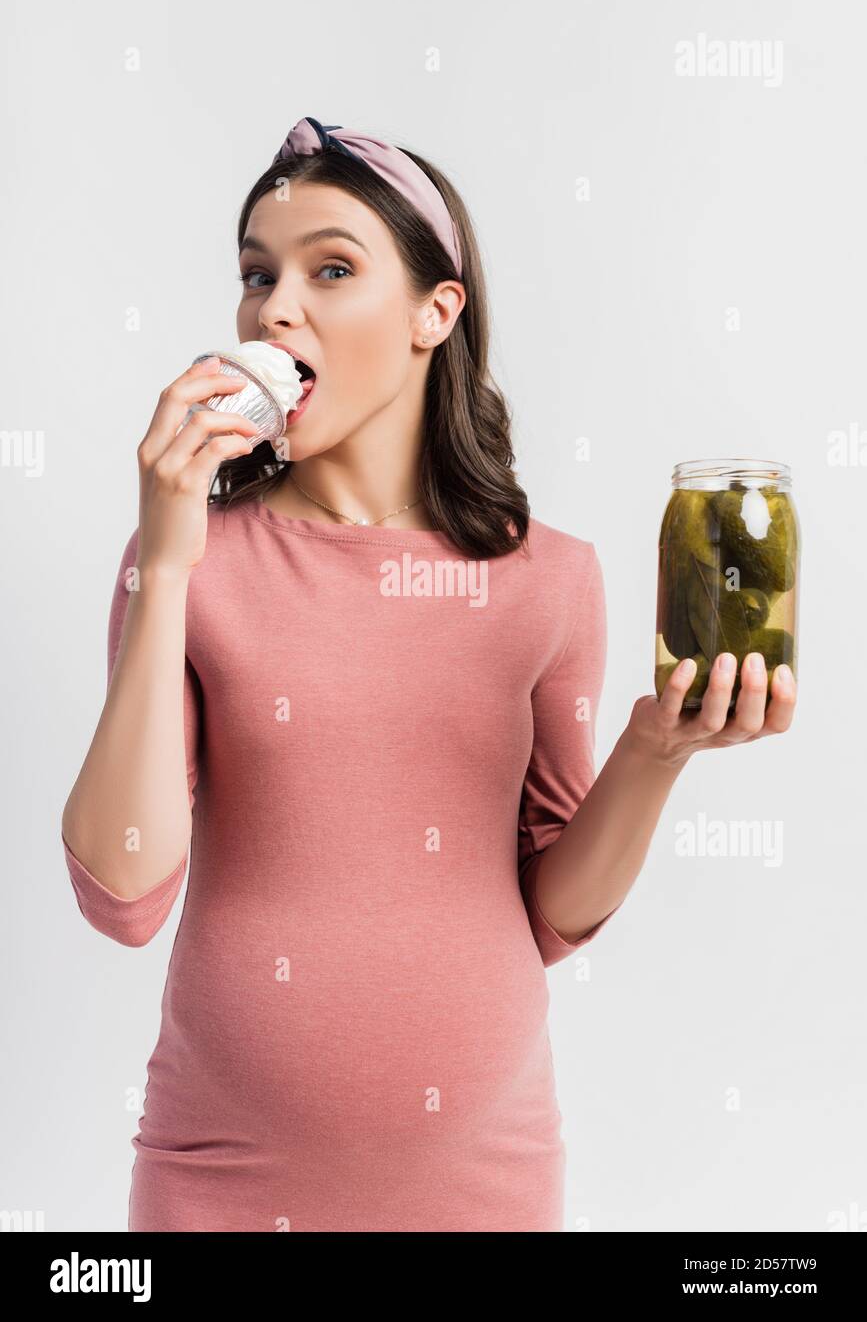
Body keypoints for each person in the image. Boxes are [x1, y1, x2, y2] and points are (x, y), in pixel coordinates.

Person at [60, 117, 797, 1233]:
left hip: (483, 1190)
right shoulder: (190, 564)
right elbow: (121, 894)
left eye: (332, 269)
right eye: (257, 275)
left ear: (433, 314)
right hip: (219, 1186)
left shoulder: (554, 579)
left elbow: (551, 914)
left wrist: (654, 754)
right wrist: (165, 559)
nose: (274, 309)